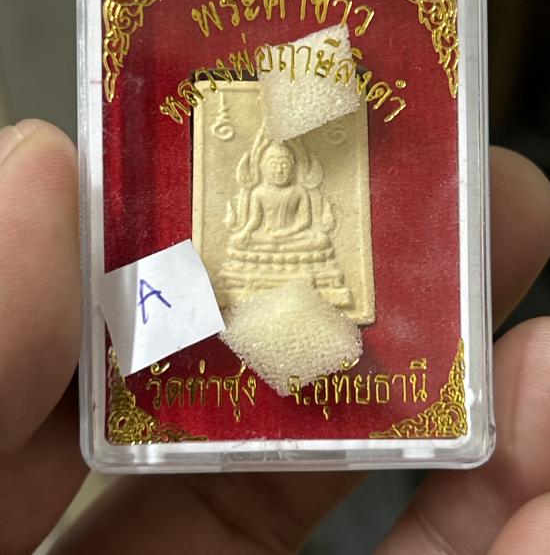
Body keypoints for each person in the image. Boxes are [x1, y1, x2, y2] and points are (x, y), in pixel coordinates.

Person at [0, 119, 549, 554]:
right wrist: (243, 227)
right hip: (258, 257)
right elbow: (247, 232)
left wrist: (314, 230)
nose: (281, 169)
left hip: (300, 255)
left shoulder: (300, 193)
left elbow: (311, 230)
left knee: (312, 251)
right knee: (240, 256)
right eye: (274, 163)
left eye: (287, 164)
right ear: (262, 165)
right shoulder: (259, 192)